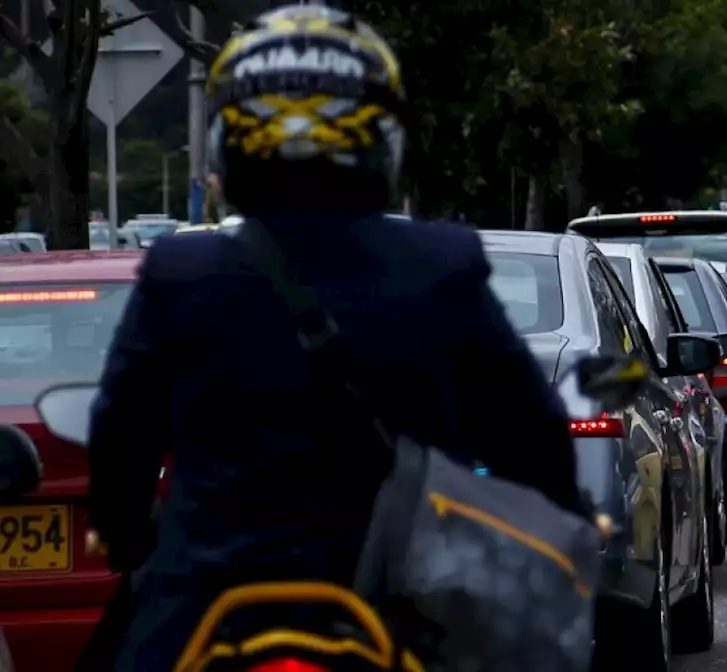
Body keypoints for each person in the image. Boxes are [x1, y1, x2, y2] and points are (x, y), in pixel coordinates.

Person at [81, 6, 586, 670]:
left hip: (204, 606)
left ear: (229, 141)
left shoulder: (183, 272)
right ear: (381, 137)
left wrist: (125, 538)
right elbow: (536, 443)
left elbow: (120, 437)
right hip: (404, 612)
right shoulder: (441, 265)